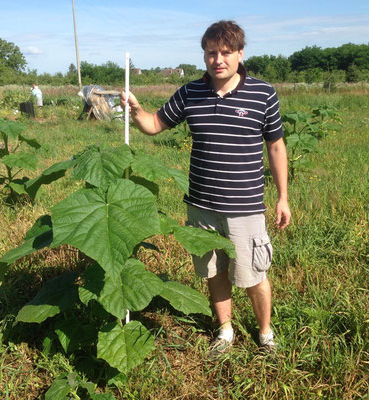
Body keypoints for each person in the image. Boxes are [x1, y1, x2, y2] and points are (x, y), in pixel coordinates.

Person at [121, 20, 291, 359]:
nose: (218, 60)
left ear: (240, 54)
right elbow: (155, 124)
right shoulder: (190, 92)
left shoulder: (262, 93)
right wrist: (138, 111)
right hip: (201, 205)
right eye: (211, 53)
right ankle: (225, 330)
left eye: (226, 53)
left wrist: (283, 198)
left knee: (254, 273)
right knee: (214, 271)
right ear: (204, 56)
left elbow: (275, 146)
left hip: (245, 205)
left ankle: (265, 334)